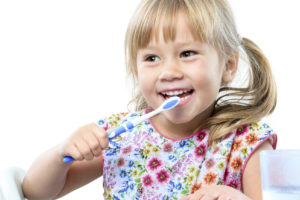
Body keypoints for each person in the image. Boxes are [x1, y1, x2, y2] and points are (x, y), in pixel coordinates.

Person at [22, 0, 277, 199]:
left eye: (187, 53)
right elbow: (36, 192)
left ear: (228, 65)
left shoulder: (246, 143)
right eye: (152, 58)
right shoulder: (118, 137)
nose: (169, 72)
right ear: (136, 70)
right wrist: (60, 155)